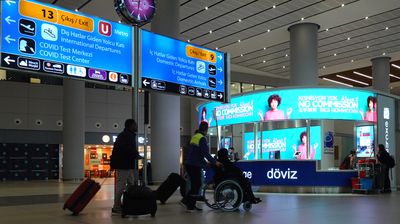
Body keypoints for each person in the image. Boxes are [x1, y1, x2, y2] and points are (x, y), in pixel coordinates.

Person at [182, 121, 222, 212]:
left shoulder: (195, 137)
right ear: (206, 129)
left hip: (190, 164)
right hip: (194, 165)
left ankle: (188, 202)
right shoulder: (202, 138)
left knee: (195, 184)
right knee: (197, 184)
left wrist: (204, 163)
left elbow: (196, 153)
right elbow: (205, 154)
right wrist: (215, 162)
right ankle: (189, 205)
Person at [110, 119, 141, 214]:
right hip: (124, 165)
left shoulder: (124, 135)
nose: (137, 126)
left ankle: (128, 202)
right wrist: (137, 155)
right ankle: (116, 207)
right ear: (131, 125)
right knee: (121, 185)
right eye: (135, 124)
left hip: (126, 164)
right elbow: (129, 149)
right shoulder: (128, 135)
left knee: (131, 184)